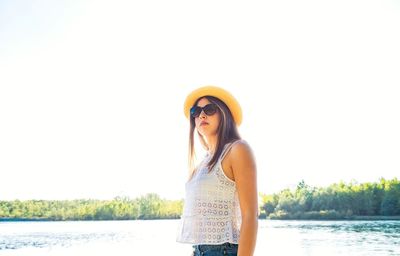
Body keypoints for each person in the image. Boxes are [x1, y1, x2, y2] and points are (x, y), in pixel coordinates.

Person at [177, 86, 258, 256]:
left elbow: (250, 216)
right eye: (196, 111)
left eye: (209, 109)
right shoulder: (204, 161)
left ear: (224, 114)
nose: (201, 115)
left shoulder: (237, 149)